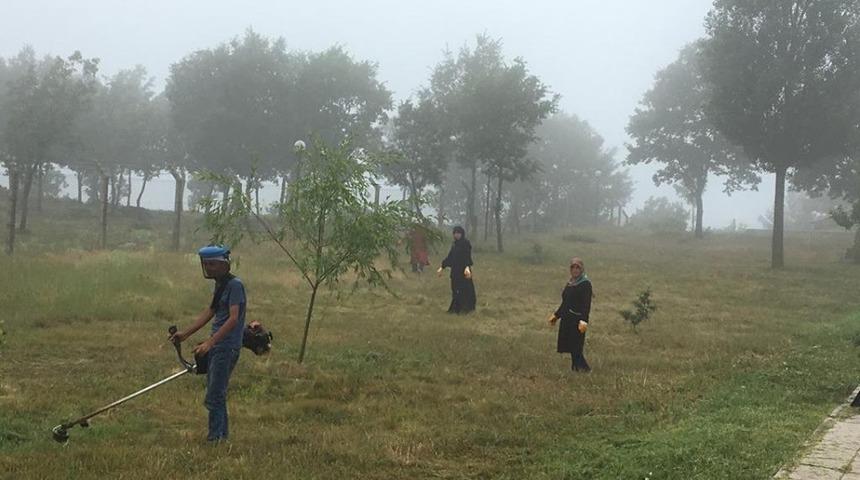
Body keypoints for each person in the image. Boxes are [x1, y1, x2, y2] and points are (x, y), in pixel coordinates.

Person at [169, 245, 247, 442]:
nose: (209, 268)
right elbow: (211, 311)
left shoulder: (235, 285)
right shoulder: (220, 285)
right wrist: (185, 334)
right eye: (206, 264)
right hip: (218, 345)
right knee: (216, 395)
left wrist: (210, 343)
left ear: (223, 264)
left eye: (212, 264)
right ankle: (220, 436)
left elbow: (233, 319)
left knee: (214, 396)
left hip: (226, 347)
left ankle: (216, 440)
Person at [549, 257, 592, 372]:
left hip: (577, 320)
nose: (575, 270)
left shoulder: (585, 284)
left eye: (578, 268)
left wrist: (584, 320)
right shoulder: (570, 283)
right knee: (571, 346)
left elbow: (586, 305)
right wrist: (556, 315)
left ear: (581, 269)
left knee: (576, 347)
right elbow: (566, 303)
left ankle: (585, 369)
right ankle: (575, 369)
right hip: (567, 319)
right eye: (573, 267)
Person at [437, 226, 476, 313]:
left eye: (458, 233)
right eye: (455, 233)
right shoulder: (454, 244)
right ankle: (455, 309)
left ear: (462, 234)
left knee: (465, 290)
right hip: (455, 271)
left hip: (464, 271)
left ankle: (466, 308)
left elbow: (467, 256)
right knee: (455, 290)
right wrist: (442, 267)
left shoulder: (466, 243)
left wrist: (467, 267)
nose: (457, 235)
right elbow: (450, 257)